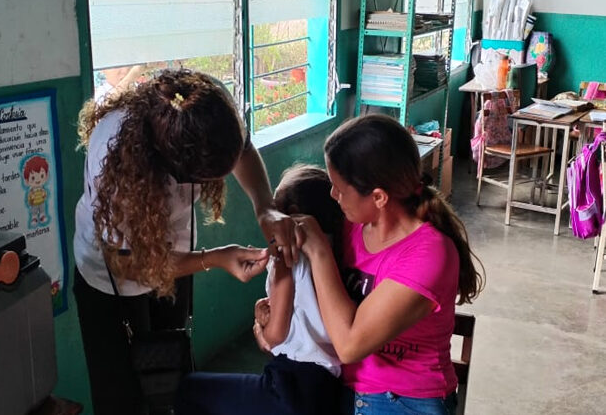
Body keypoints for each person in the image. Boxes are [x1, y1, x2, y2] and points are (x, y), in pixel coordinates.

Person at [74, 68, 298, 415]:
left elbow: (242, 149)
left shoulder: (205, 111)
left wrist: (265, 207)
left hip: (172, 259)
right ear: (176, 169)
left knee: (172, 371)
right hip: (112, 278)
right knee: (122, 395)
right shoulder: (116, 164)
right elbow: (130, 265)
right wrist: (214, 258)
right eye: (206, 179)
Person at [264, 115, 485, 415]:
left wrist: (320, 251)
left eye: (339, 189)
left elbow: (349, 346)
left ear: (379, 197)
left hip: (403, 401)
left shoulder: (430, 255)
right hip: (342, 386)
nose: (332, 196)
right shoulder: (351, 227)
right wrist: (270, 311)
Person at [174, 165, 345, 415]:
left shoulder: (285, 258)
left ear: (291, 214)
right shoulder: (336, 251)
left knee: (189, 390)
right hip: (328, 387)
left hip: (291, 387)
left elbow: (275, 335)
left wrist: (260, 327)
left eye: (274, 206)